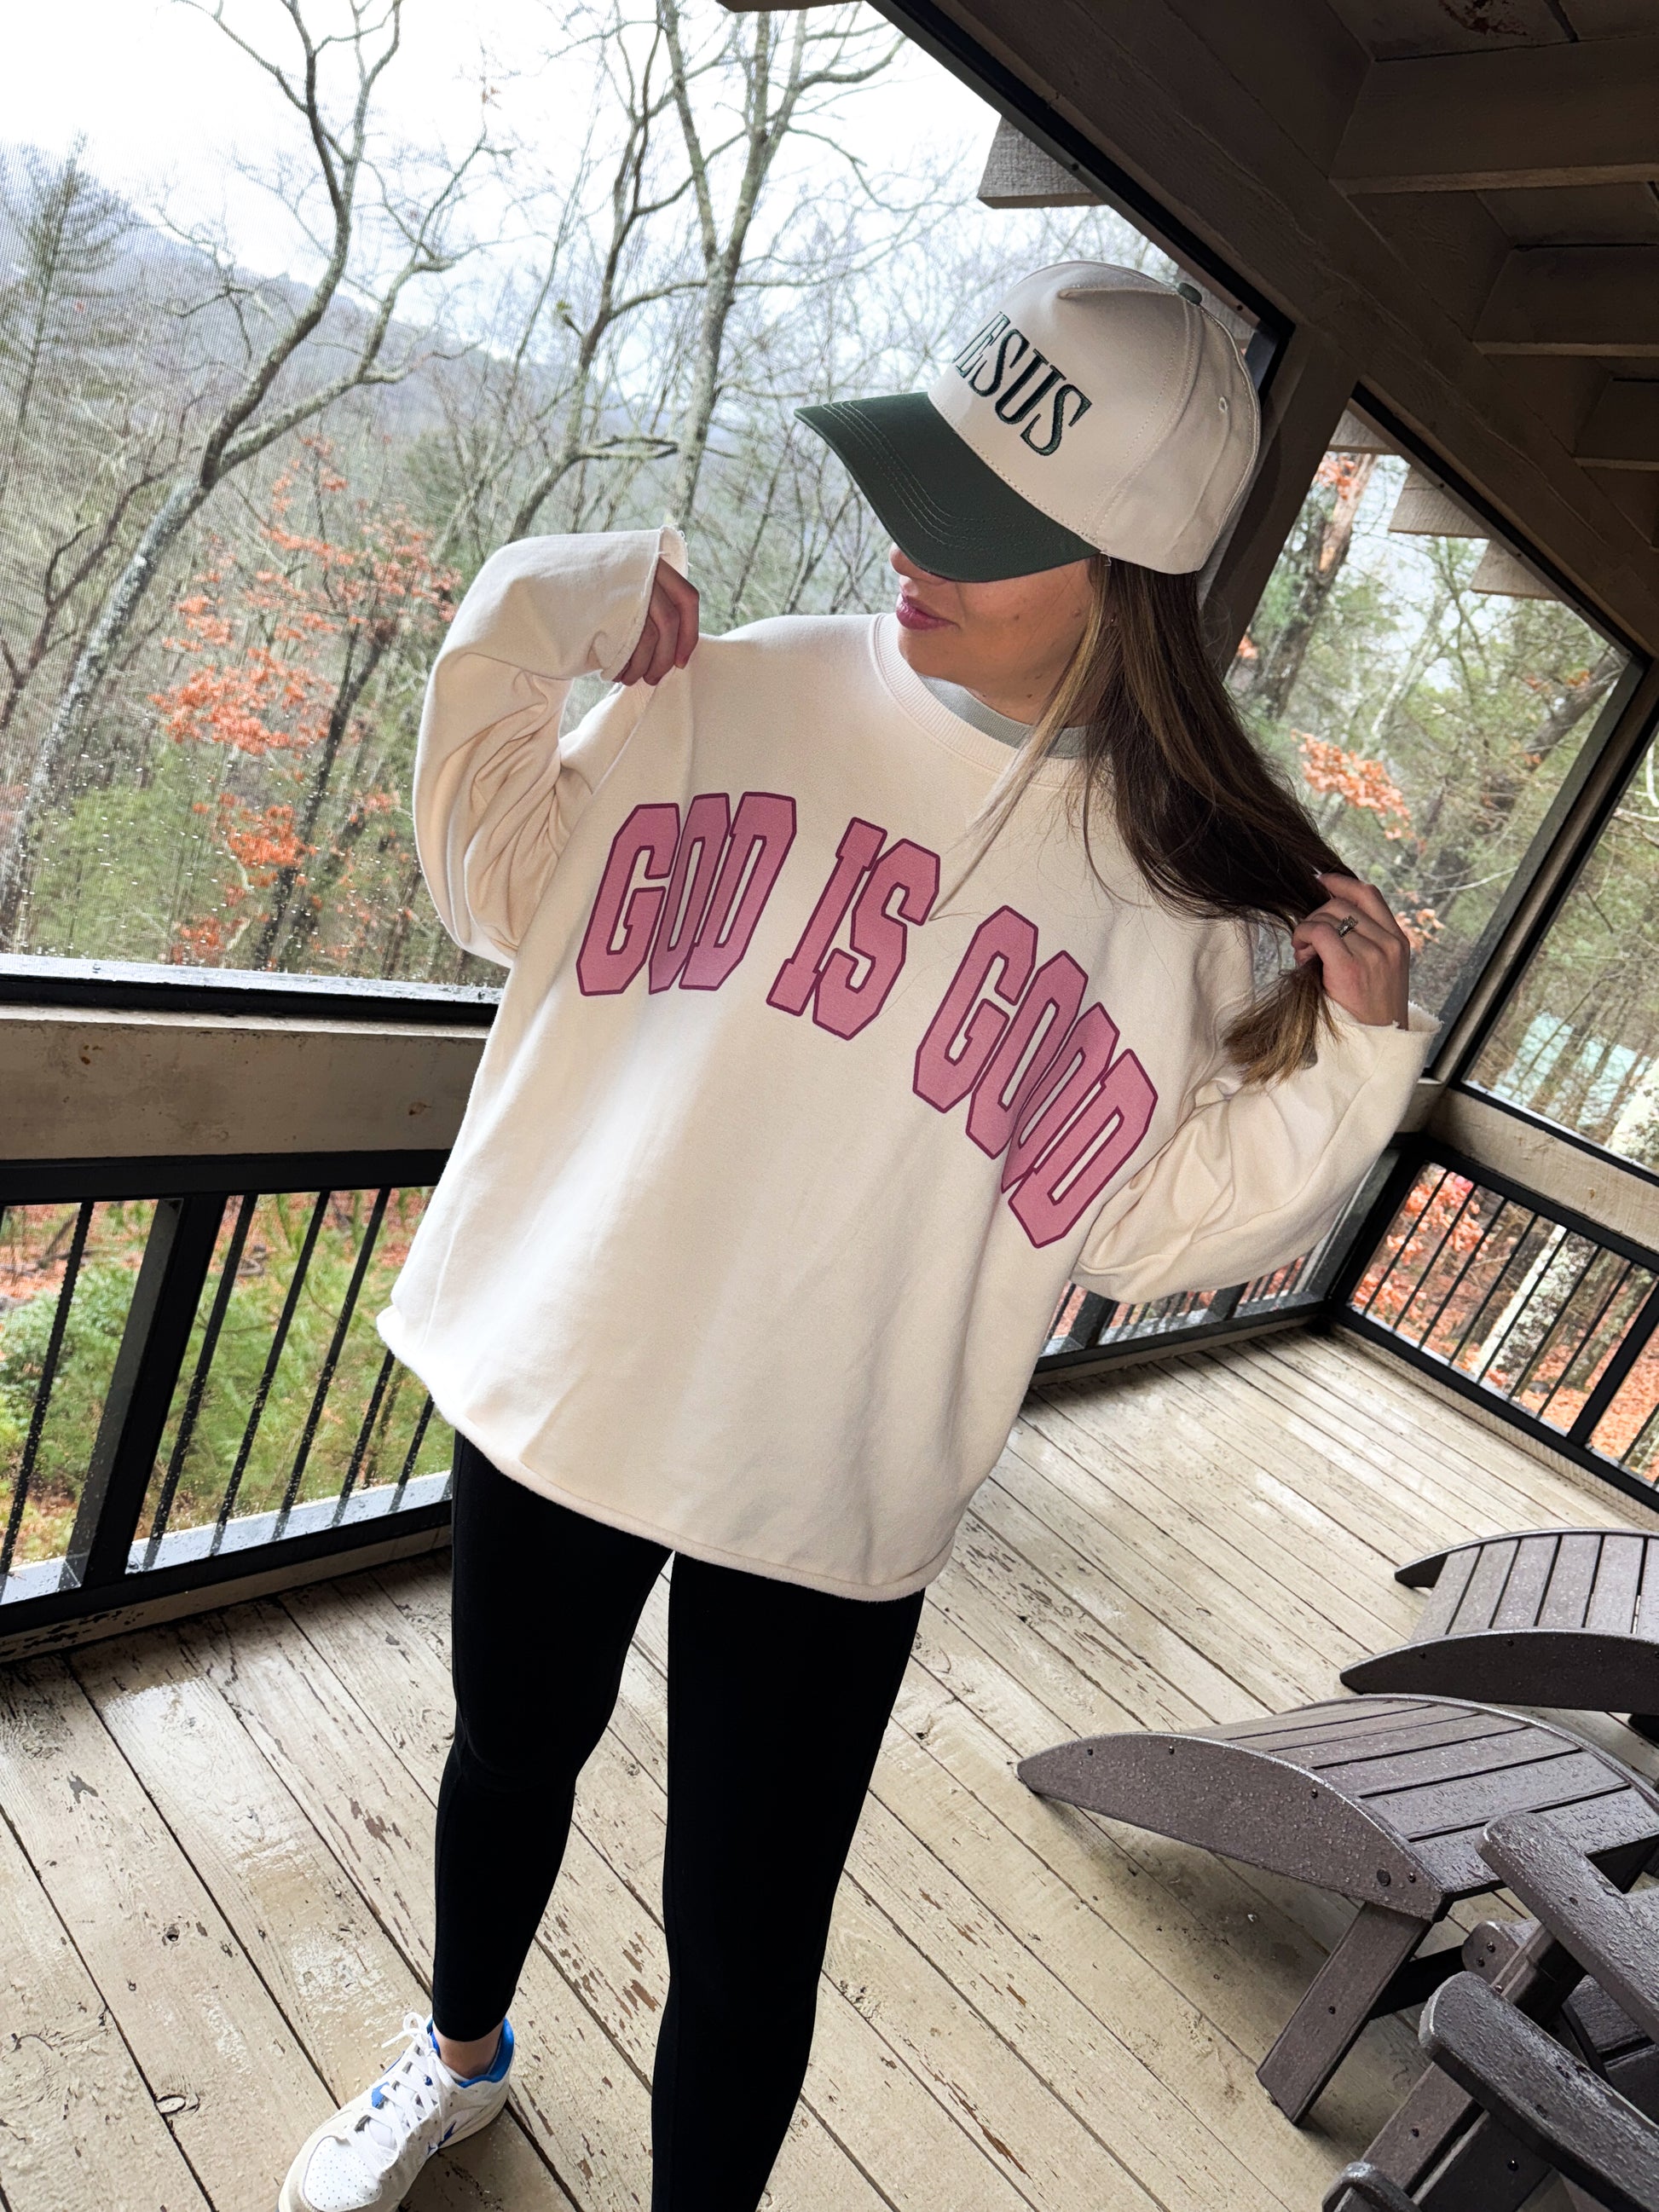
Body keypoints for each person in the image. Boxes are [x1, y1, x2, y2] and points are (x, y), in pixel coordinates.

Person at [278, 262, 1432, 2212]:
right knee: (509, 1752)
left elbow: (1143, 1223)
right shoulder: (739, 690)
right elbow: (492, 878)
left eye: (981, 517)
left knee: (750, 1924)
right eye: (916, 478)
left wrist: (1357, 1059)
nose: (911, 539)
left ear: (1128, 569)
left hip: (831, 1454)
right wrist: (535, 610)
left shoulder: (1175, 902)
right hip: (578, 1357)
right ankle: (458, 2057)